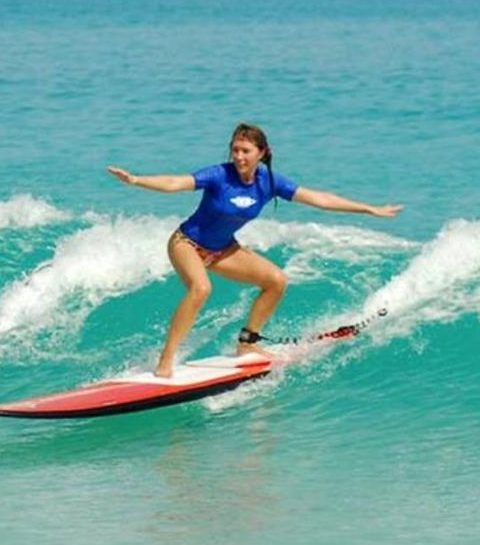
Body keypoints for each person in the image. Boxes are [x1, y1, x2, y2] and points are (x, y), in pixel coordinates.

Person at [107, 123, 402, 377]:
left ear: (262, 152)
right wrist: (136, 180)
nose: (238, 157)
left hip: (223, 250)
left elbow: (320, 199)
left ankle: (247, 341)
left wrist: (368, 209)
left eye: (245, 151)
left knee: (276, 280)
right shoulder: (218, 176)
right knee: (201, 288)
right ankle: (166, 359)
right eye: (235, 150)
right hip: (187, 243)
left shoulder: (270, 182)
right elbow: (175, 182)